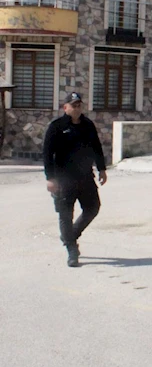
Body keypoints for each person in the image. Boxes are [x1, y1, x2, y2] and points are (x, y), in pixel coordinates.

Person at [42, 92, 108, 267]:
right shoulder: (56, 127)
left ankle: (70, 236)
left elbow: (96, 147)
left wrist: (102, 169)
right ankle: (72, 250)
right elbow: (47, 154)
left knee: (93, 208)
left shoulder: (88, 125)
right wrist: (50, 178)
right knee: (65, 215)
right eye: (73, 105)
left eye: (79, 104)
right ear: (65, 108)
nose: (77, 108)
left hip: (85, 177)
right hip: (64, 179)